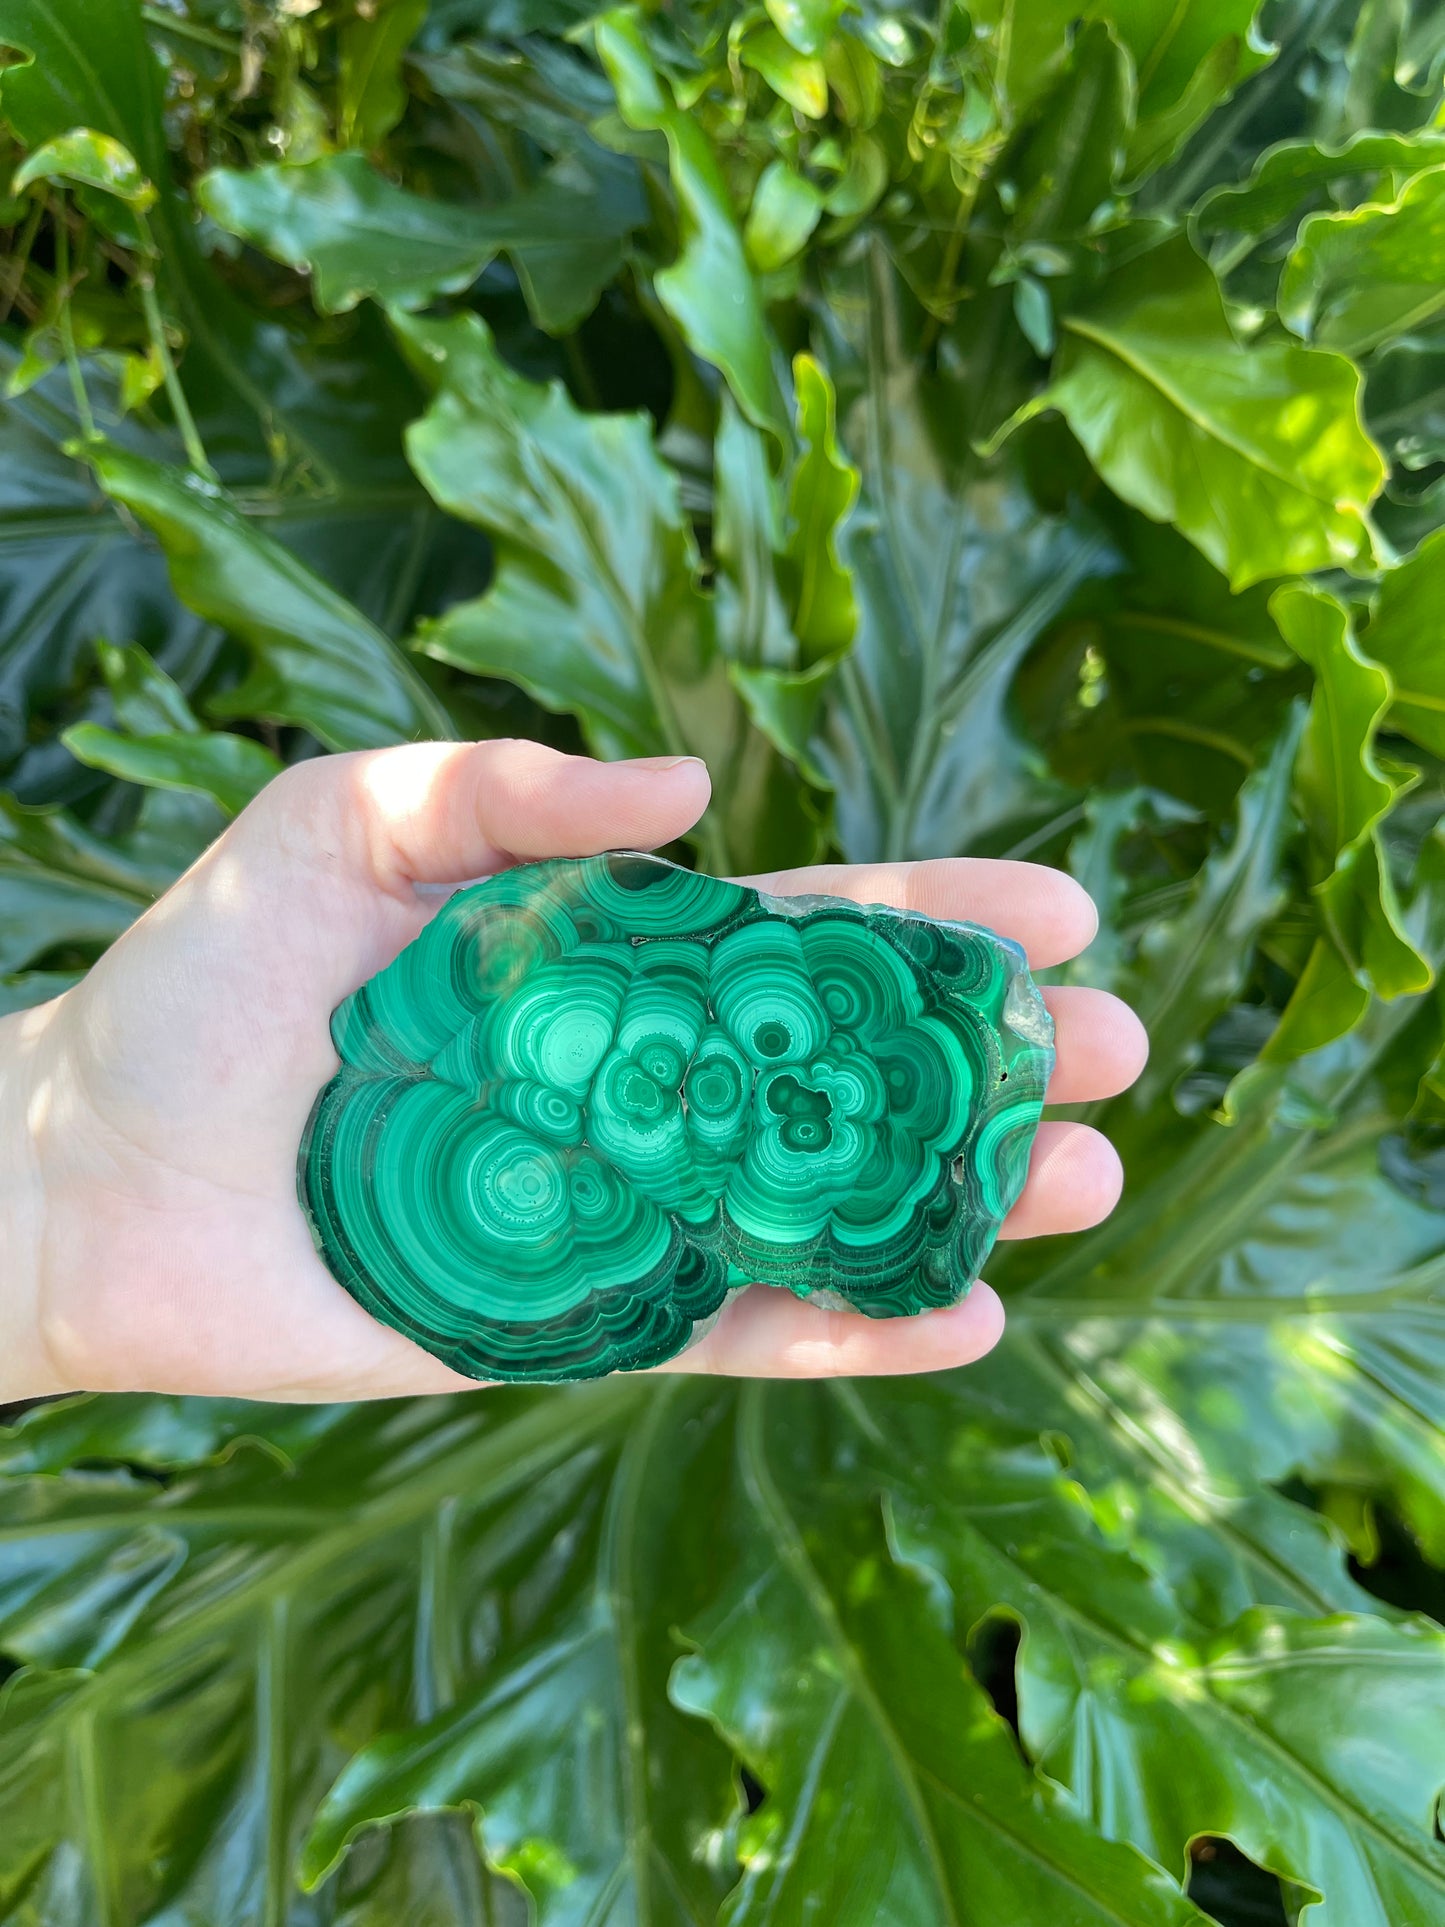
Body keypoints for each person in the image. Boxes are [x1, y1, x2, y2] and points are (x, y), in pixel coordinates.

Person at [0, 741, 1148, 1403]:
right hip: (464, 1206)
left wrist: (61, 1181)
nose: (730, 1104)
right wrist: (59, 1174)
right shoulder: (510, 1026)